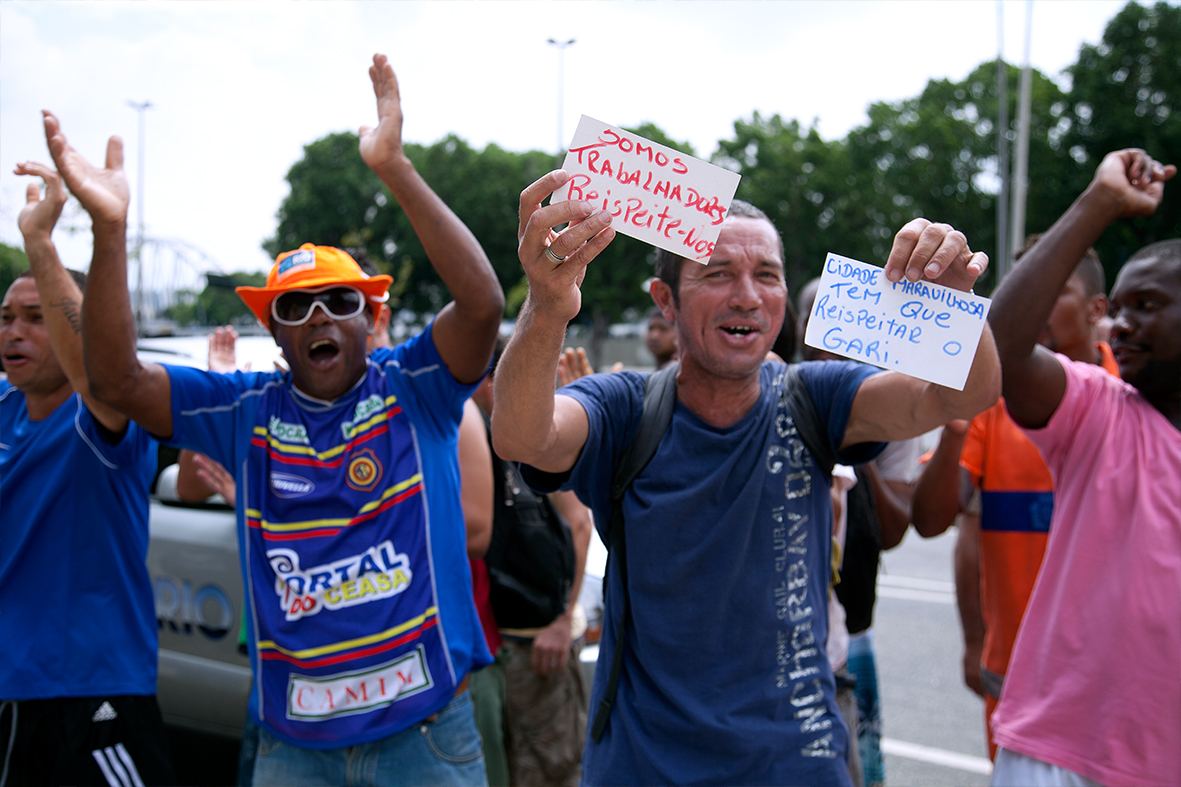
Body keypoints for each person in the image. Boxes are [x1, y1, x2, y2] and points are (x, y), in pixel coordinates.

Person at [47, 53, 504, 787]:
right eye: (294, 307)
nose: (318, 314)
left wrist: (393, 168)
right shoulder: (244, 409)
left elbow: (481, 304)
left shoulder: (413, 385)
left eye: (339, 300)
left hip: (424, 738)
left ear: (373, 314)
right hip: (293, 750)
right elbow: (116, 379)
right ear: (277, 333)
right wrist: (109, 232)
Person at [492, 171, 1000, 786]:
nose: (746, 296)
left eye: (767, 274)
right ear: (665, 299)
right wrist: (547, 304)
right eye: (717, 273)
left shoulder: (817, 397)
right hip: (646, 766)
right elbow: (522, 437)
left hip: (798, 764)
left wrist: (954, 306)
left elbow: (961, 396)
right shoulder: (626, 408)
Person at [985, 149, 1178, 787]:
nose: (1121, 326)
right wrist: (1100, 201)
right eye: (1117, 307)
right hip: (1057, 755)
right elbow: (1002, 351)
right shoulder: (1099, 409)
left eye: (1146, 306)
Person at [909, 237, 1118, 761]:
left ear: (1098, 309)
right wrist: (975, 639)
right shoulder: (987, 399)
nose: (1034, 305)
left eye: (1053, 290)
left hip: (1119, 684)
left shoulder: (1142, 397)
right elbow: (938, 523)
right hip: (1017, 675)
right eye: (1024, 291)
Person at [1, 162, 173, 784]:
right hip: (11, 690)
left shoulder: (102, 415)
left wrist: (42, 246)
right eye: (5, 317)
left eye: (36, 316)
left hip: (94, 691)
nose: (14, 331)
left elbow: (99, 370)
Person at [797, 277, 918, 787]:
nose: (830, 333)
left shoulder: (889, 407)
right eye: (817, 318)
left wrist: (854, 442)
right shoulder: (774, 394)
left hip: (850, 629)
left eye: (844, 320)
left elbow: (893, 530)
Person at [473, 335, 592, 787]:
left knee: (554, 769)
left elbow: (580, 524)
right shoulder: (475, 436)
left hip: (543, 645)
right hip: (499, 647)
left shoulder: (530, 435)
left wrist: (563, 622)